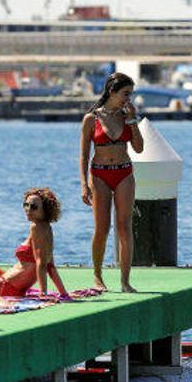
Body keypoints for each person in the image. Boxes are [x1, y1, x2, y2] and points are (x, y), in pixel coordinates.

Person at [79, 73, 144, 292]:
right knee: (102, 228)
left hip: (124, 173)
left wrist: (133, 120)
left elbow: (139, 148)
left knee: (125, 228)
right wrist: (83, 184)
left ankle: (125, 281)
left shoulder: (127, 116)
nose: (129, 98)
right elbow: (83, 155)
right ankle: (98, 276)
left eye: (131, 94)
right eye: (126, 93)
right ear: (112, 91)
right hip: (100, 175)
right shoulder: (91, 118)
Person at [0, 188, 69, 298]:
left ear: (45, 210)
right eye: (26, 205)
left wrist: (43, 294)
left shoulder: (37, 228)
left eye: (33, 207)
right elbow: (50, 266)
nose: (28, 209)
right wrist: (63, 293)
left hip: (7, 286)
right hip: (7, 281)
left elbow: (42, 264)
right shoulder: (46, 228)